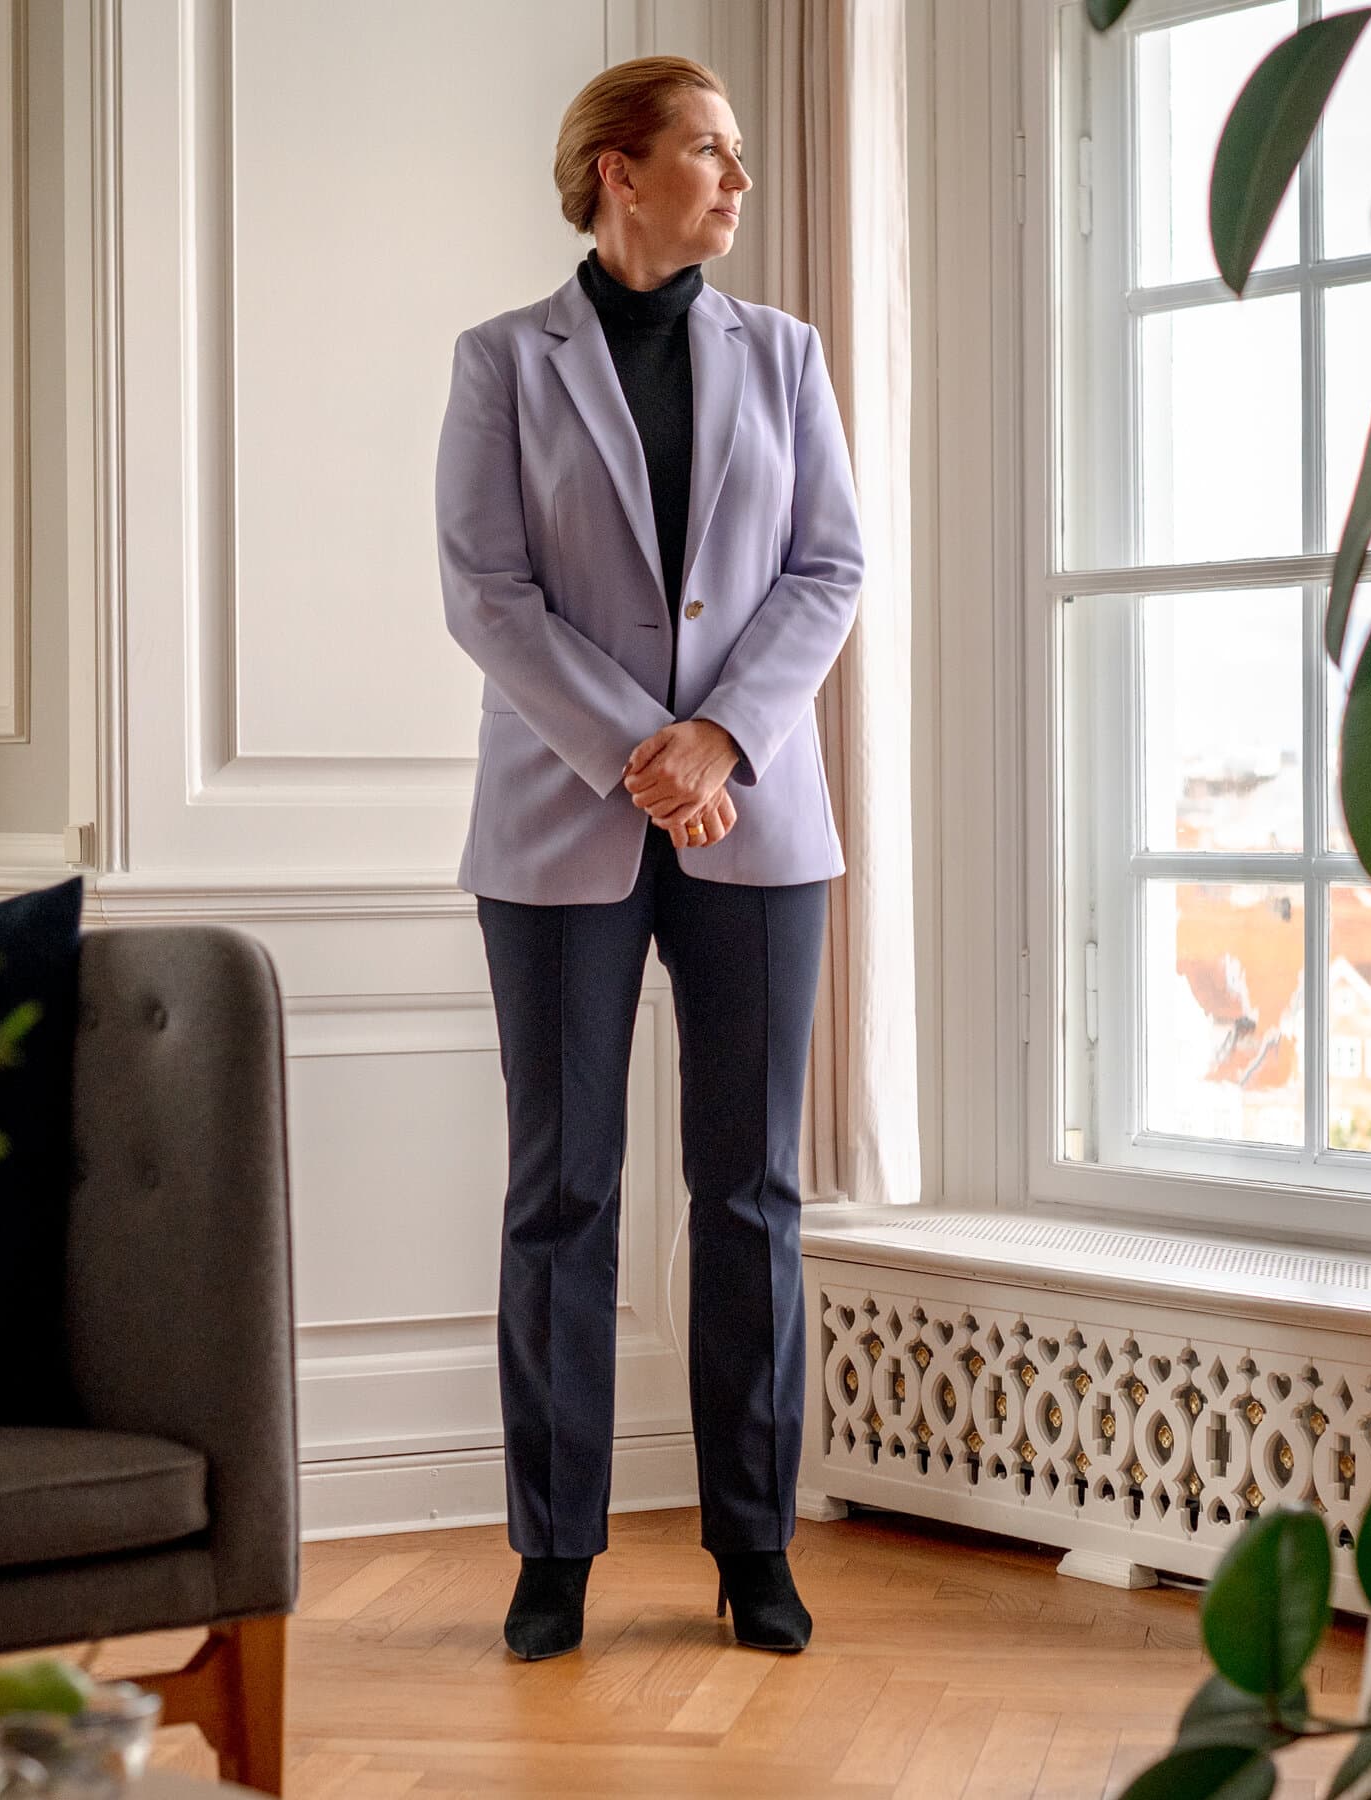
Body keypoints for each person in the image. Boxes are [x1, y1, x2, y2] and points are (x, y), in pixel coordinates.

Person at [434, 53, 863, 1662]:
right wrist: (642, 750)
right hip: (560, 824)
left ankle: (757, 1547)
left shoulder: (789, 355)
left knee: (749, 1192)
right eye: (710, 153)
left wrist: (722, 741)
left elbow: (830, 567)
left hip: (758, 818)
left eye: (743, 153)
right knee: (563, 1193)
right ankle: (555, 1556)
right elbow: (485, 592)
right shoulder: (503, 362)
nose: (738, 182)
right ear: (619, 169)